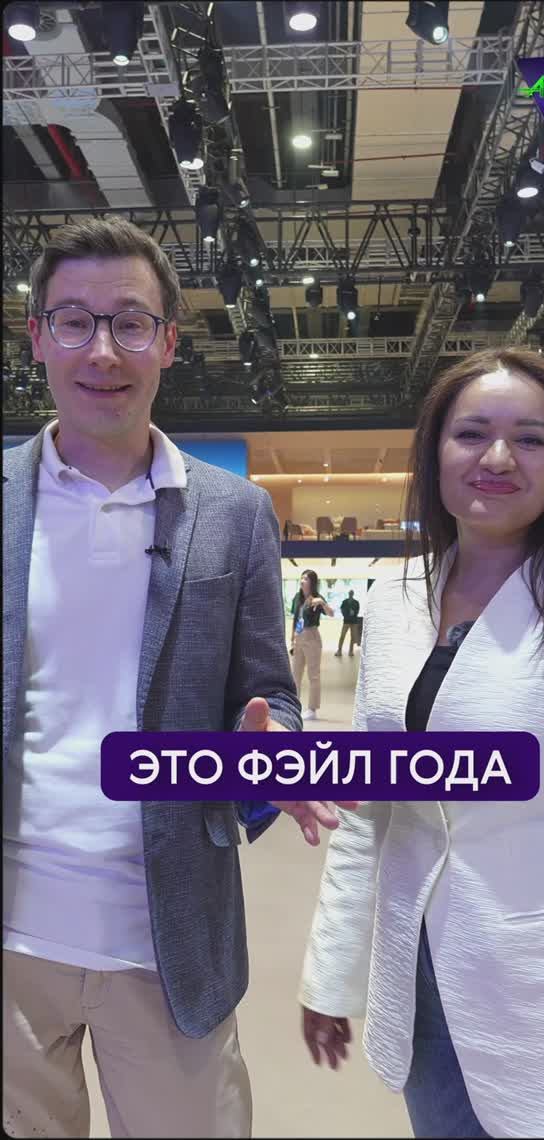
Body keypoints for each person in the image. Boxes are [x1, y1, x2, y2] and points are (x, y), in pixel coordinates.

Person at [2, 215, 358, 1140]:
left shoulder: (234, 513)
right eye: (74, 321)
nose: (102, 351)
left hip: (170, 940)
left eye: (129, 322)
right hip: (12, 945)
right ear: (37, 335)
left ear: (167, 341)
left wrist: (270, 752)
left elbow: (271, 692)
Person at [298, 347, 544, 1139]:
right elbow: (368, 809)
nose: (498, 458)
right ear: (435, 451)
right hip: (421, 987)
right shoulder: (394, 597)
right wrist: (331, 975)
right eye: (472, 433)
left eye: (531, 438)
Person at [290, 569, 334, 721]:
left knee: (313, 675)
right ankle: (294, 706)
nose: (302, 581)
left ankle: (312, 709)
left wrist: (322, 603)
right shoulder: (297, 597)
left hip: (312, 636)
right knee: (295, 675)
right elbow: (296, 618)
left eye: (306, 579)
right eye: (302, 578)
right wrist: (292, 639)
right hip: (298, 636)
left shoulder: (317, 598)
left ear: (312, 582)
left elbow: (331, 613)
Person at [335, 589, 360, 657]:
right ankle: (339, 651)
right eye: (350, 593)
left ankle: (351, 651)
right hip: (346, 621)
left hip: (354, 621)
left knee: (353, 637)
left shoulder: (356, 602)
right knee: (342, 636)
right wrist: (346, 614)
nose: (351, 594)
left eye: (352, 593)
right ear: (348, 594)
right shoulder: (345, 601)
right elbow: (341, 609)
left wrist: (354, 613)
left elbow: (357, 611)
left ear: (353, 594)